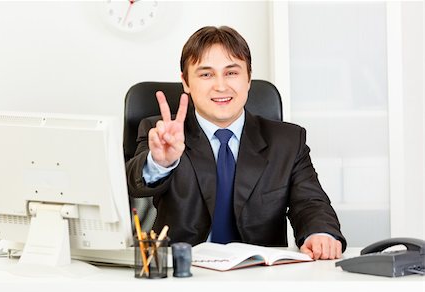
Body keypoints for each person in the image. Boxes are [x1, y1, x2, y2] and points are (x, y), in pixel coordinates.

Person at [126, 26, 346, 260]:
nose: (221, 86)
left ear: (249, 78)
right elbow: (132, 184)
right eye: (206, 74)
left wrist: (319, 233)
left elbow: (310, 203)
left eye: (231, 73)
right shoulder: (161, 133)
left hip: (259, 276)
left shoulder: (288, 141)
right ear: (186, 82)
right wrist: (159, 162)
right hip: (184, 276)